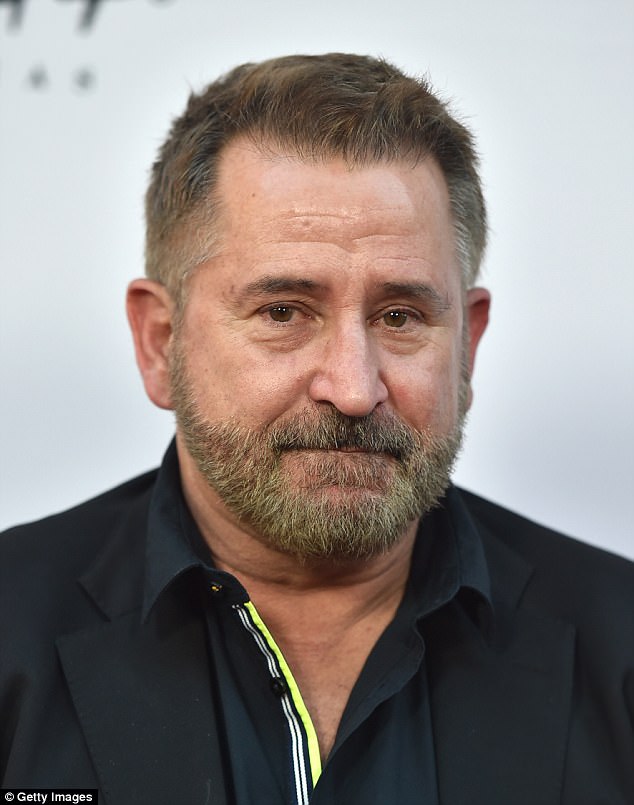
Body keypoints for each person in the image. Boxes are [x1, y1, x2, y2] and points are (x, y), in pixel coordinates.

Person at [1, 53, 632, 805]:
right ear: (161, 343)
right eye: (283, 312)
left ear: (468, 346)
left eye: (400, 317)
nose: (354, 389)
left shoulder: (621, 645)